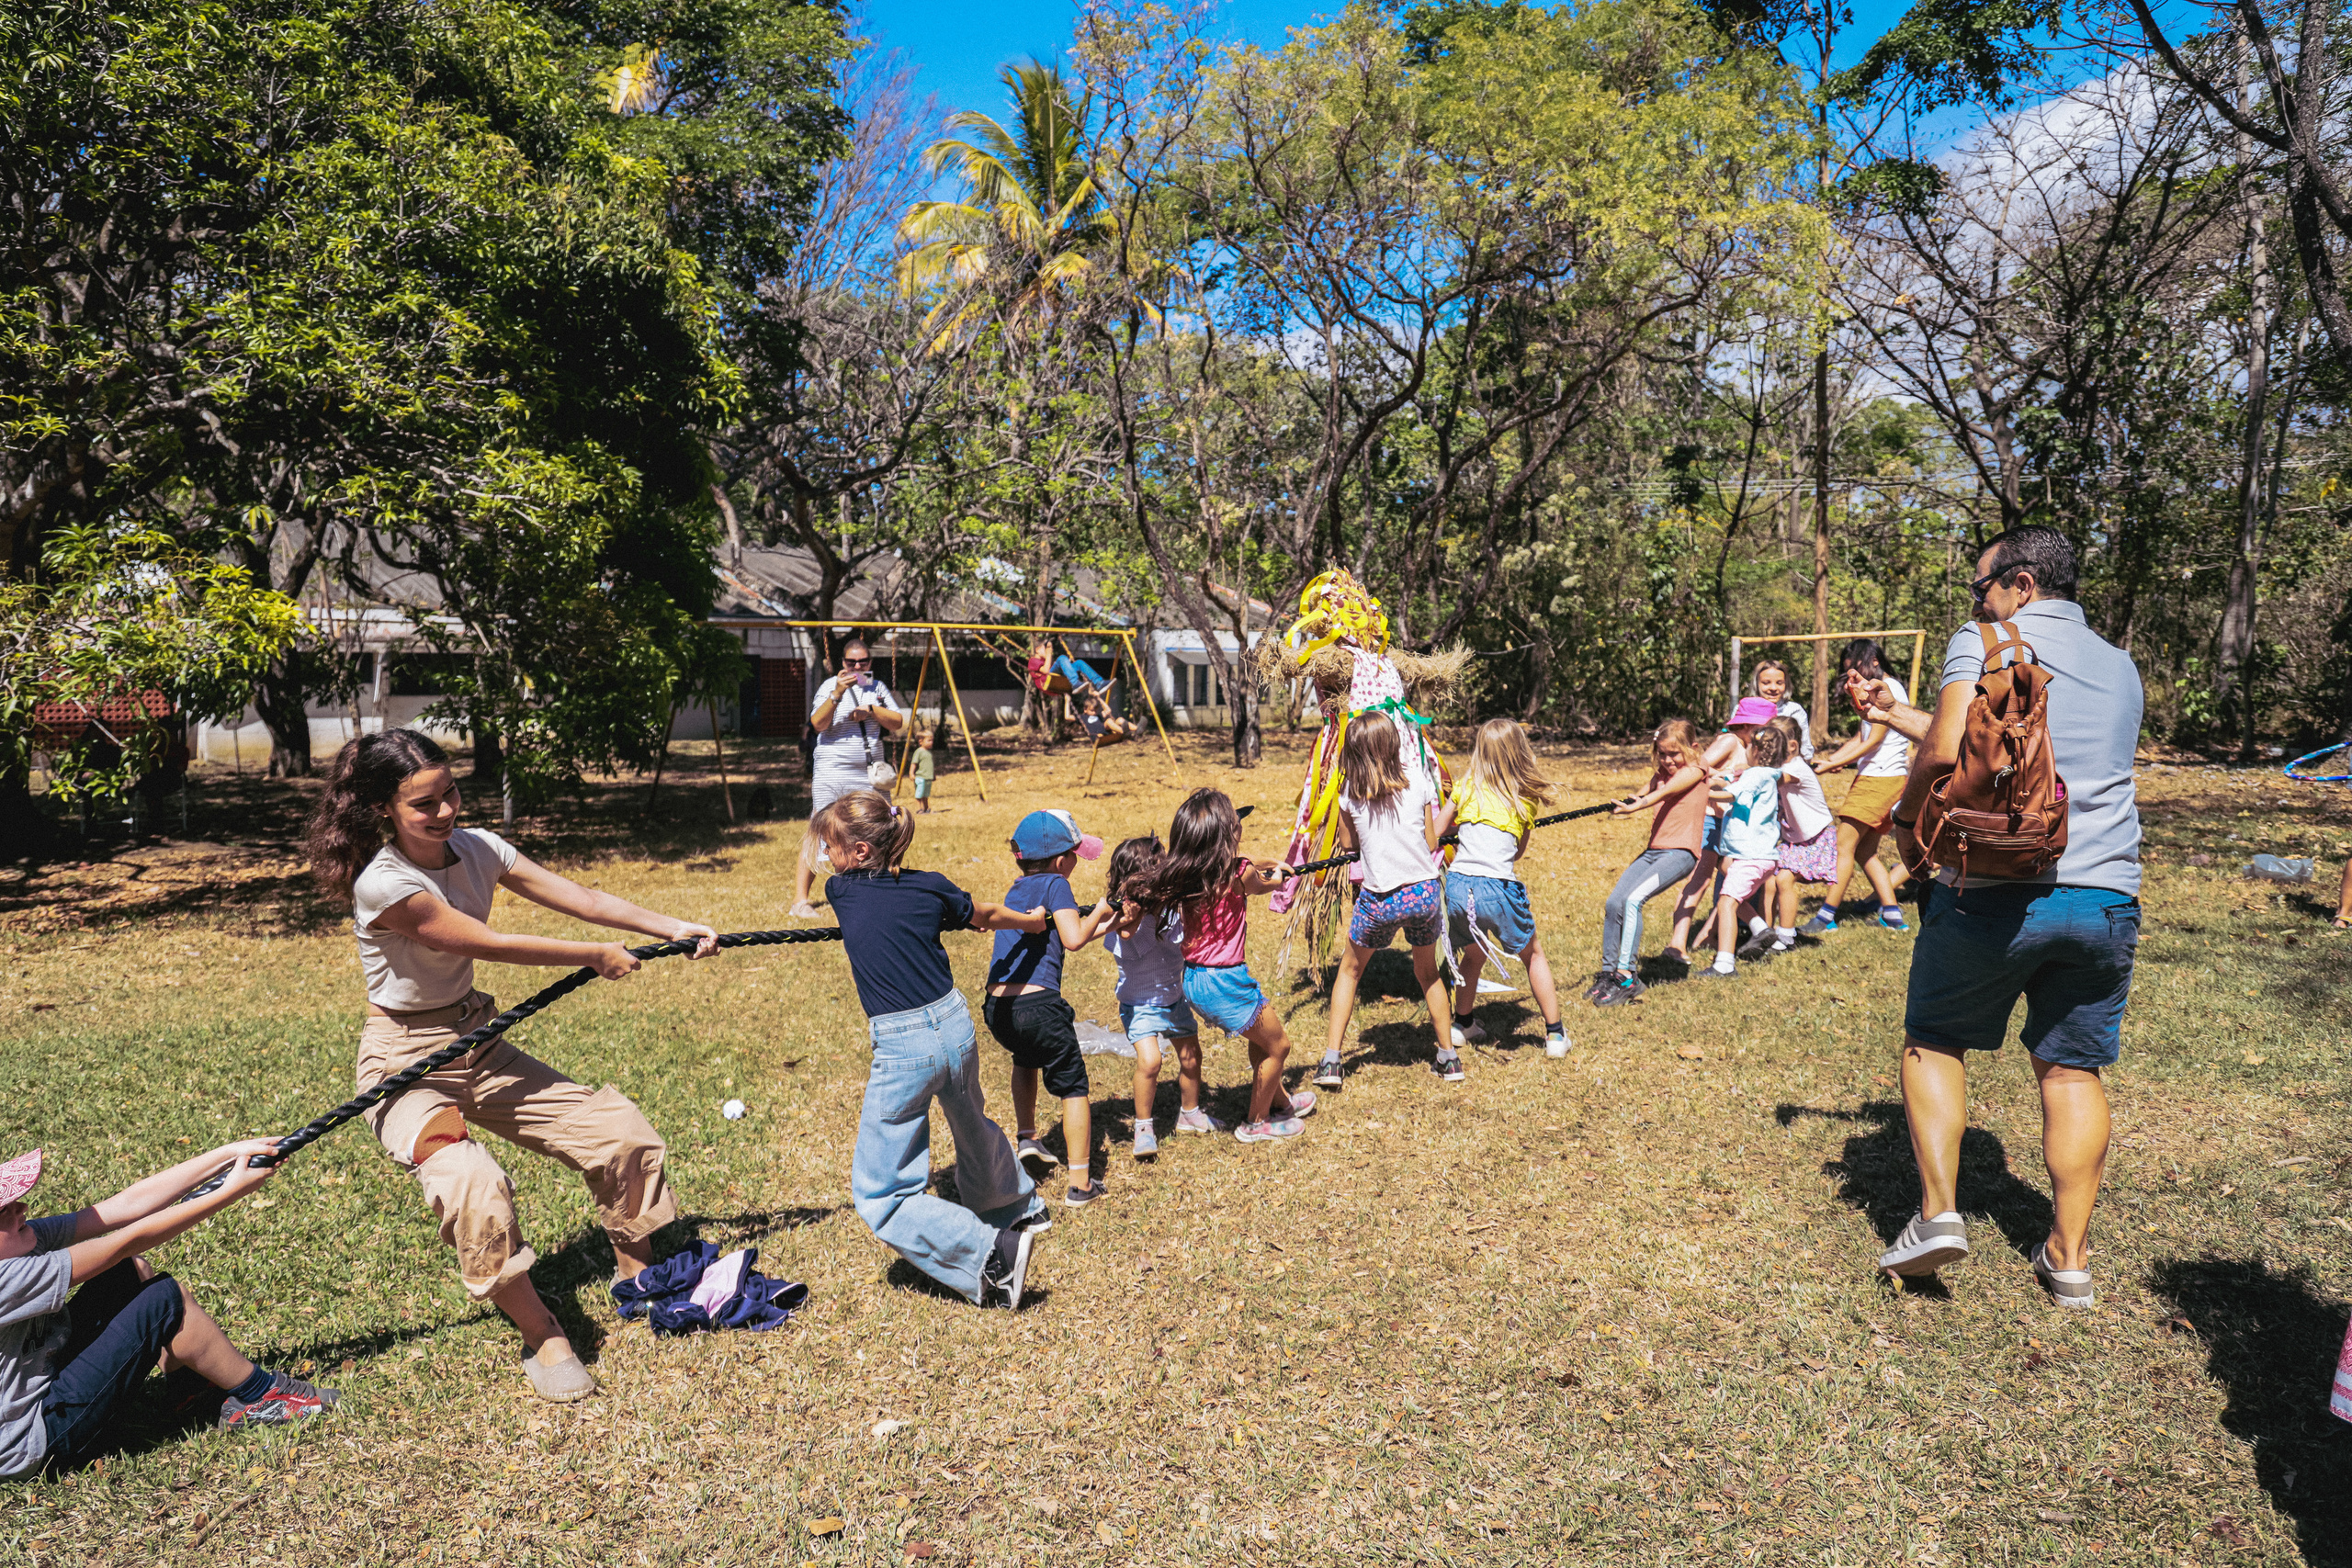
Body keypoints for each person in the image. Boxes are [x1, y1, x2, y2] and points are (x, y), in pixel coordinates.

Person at [305, 730, 718, 1403]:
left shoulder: (476, 848)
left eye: (451, 793)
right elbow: (486, 941)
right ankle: (542, 1330)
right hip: (406, 1061)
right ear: (384, 809)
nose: (444, 813)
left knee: (617, 1130)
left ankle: (636, 1274)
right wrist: (590, 955)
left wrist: (667, 924)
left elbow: (577, 895)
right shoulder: (384, 882)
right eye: (423, 804)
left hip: (479, 1037)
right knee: (471, 1180)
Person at [1855, 525, 2143, 1311]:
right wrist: (1903, 710)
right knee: (2071, 1069)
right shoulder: (2122, 667)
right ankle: (2069, 1257)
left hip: (1994, 888)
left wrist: (1908, 821)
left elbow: (1952, 750)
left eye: (1980, 584)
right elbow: (2017, 744)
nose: (1976, 600)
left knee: (1936, 1036)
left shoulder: (1986, 638)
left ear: (2018, 584)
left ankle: (1940, 1213)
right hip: (2107, 898)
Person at [814, 790, 1057, 1308]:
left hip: (904, 1048)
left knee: (882, 1195)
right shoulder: (931, 888)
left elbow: (846, 886)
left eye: (831, 846)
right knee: (971, 1119)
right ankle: (1018, 1205)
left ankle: (991, 1255)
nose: (823, 856)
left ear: (858, 853)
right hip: (954, 1024)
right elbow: (987, 913)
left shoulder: (841, 891)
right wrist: (1032, 922)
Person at [2, 1144, 337, 1479]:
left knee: (129, 1271)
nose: (22, 1209)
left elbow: (125, 1206)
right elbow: (126, 1240)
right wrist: (231, 1191)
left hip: (42, 1388)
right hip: (36, 1443)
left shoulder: (24, 1241)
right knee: (164, 1300)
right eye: (5, 1212)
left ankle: (187, 1388)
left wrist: (232, 1153)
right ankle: (261, 1396)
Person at [1125, 789, 1317, 1143]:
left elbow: (1245, 865)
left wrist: (1259, 861)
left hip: (1196, 980)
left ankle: (1281, 1102)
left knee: (1261, 1038)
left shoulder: (1185, 876)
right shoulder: (1239, 874)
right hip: (1226, 982)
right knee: (1280, 1046)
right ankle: (1256, 1122)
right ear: (1227, 837)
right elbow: (1266, 882)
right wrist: (1277, 874)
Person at [1316, 711, 1460, 1085]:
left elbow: (1349, 845)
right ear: (1394, 746)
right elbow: (1431, 843)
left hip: (1380, 898)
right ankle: (1448, 1057)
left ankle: (1332, 1061)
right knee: (1427, 973)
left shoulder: (1350, 794)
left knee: (1350, 971)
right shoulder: (1418, 782)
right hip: (1425, 893)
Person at [984, 811, 1118, 1207]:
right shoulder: (1057, 884)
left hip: (999, 1009)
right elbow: (1074, 938)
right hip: (1039, 1007)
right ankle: (1081, 1184)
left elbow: (1064, 935)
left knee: (1024, 1058)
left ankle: (1028, 1137)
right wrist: (1104, 908)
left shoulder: (1018, 890)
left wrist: (1112, 923)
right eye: (1076, 855)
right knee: (1074, 1087)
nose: (1077, 862)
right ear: (1062, 861)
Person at [1441, 718, 1569, 1058]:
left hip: (1458, 888)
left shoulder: (1465, 787)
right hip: (1498, 887)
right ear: (1520, 753)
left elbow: (1438, 831)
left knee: (1473, 952)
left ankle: (1462, 1023)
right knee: (1533, 955)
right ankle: (1555, 1035)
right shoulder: (1524, 797)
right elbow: (1517, 852)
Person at [1101, 835, 1216, 1157]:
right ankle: (1143, 1127)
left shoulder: (1172, 909)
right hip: (1139, 1006)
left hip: (1174, 999)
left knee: (1192, 1057)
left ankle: (1190, 1113)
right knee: (1151, 1061)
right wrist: (1136, 913)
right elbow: (1130, 942)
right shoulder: (1121, 920)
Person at [1594, 719, 1709, 1006]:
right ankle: (1609, 973)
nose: (1668, 760)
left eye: (1674, 754)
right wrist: (1633, 798)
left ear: (1692, 749)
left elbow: (1665, 792)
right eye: (1662, 754)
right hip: (1653, 852)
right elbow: (1650, 788)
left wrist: (1640, 804)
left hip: (1680, 853)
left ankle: (1627, 976)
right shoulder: (1662, 773)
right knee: (1615, 902)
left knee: (1633, 901)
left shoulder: (1697, 769)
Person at [1802, 638, 1912, 936]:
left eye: (1857, 669)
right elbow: (1863, 737)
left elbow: (1874, 741)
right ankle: (1892, 913)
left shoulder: (1887, 691)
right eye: (1849, 672)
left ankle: (1826, 917)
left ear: (1874, 660)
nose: (1853, 677)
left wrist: (1835, 762)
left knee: (1843, 847)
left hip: (1879, 779)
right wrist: (1832, 760)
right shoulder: (1880, 688)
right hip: (1883, 778)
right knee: (1865, 851)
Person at [791, 639, 905, 917]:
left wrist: (871, 711)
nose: (857, 667)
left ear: (870, 662)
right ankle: (800, 901)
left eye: (863, 662)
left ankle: (876, 890)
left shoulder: (877, 688)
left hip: (868, 772)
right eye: (851, 662)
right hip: (832, 771)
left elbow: (898, 722)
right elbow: (817, 724)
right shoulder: (829, 686)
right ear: (841, 663)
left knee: (877, 828)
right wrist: (838, 694)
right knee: (821, 829)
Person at [1666, 697, 1777, 962]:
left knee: (1735, 880)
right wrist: (1729, 776)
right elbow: (1696, 767)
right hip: (1708, 818)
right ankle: (1676, 945)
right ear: (1750, 726)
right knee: (1699, 881)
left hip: (1726, 824)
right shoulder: (1730, 742)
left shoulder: (1749, 748)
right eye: (1767, 727)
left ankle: (1757, 929)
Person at [1699, 722, 1790, 980]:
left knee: (1726, 902)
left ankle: (1724, 964)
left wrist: (1703, 793)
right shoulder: (1765, 774)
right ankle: (1761, 929)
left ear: (1758, 751)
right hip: (1758, 855)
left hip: (1752, 855)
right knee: (1726, 872)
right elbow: (1735, 777)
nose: (1745, 750)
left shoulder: (1755, 776)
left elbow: (1732, 795)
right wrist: (1719, 776)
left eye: (1748, 746)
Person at [1760, 714, 1838, 958]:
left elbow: (1775, 780)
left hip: (1816, 838)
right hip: (1795, 838)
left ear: (1791, 746)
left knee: (1784, 879)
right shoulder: (1781, 766)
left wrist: (1745, 773)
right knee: (1769, 880)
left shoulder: (1795, 768)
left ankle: (1786, 936)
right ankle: (1765, 932)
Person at [1750, 658, 1814, 760]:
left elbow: (1805, 747)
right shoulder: (1743, 709)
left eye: (1779, 683)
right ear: (1756, 684)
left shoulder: (1794, 710)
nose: (1773, 688)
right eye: (1766, 683)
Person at [910, 728, 937, 814]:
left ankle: (926, 808)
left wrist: (933, 775)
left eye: (932, 740)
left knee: (926, 795)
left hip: (928, 777)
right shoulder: (919, 752)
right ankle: (919, 809)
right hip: (920, 777)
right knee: (919, 794)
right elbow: (914, 763)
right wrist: (911, 773)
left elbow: (930, 765)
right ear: (921, 741)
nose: (931, 742)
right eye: (929, 740)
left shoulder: (929, 753)